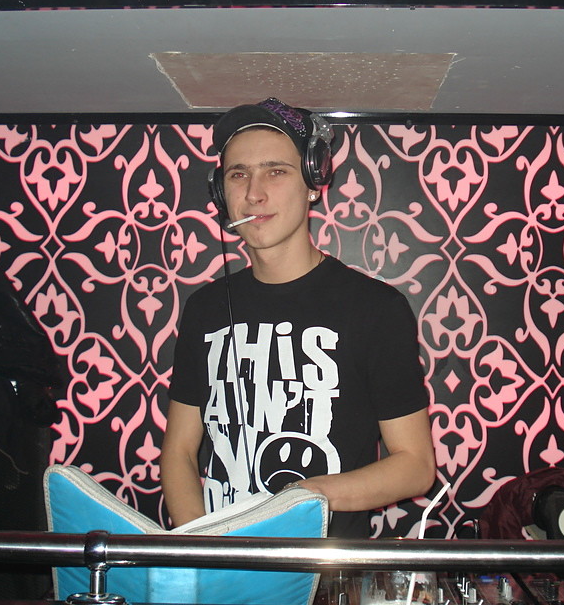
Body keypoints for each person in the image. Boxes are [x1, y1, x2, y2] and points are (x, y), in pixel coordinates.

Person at [160, 98, 435, 538]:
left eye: (276, 171)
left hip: (326, 573)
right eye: (238, 175)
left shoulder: (375, 308)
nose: (254, 193)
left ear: (313, 183)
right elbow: (178, 451)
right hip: (220, 566)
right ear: (220, 193)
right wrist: (203, 552)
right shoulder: (205, 309)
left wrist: (304, 497)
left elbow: (415, 466)